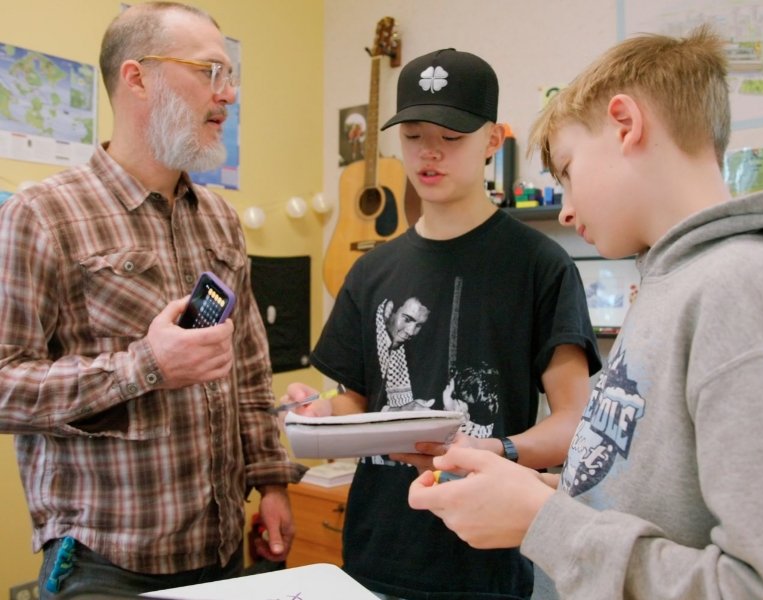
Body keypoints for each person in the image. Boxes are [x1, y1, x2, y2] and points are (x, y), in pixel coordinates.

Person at [408, 25, 763, 599]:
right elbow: (635, 499)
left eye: (567, 171)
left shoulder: (742, 284)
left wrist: (542, 521)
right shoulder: (669, 283)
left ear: (625, 124)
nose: (565, 211)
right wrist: (525, 488)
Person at [0, 3, 306, 597]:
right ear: (138, 78)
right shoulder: (40, 215)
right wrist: (146, 367)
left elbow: (247, 368)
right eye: (211, 73)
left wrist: (272, 484)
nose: (230, 95)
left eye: (231, 76)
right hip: (104, 566)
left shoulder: (219, 219)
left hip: (220, 551)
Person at [286, 48, 602, 600]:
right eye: (413, 136)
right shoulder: (371, 271)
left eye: (451, 137)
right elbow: (356, 404)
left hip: (485, 562)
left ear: (492, 142)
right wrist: (316, 415)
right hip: (375, 554)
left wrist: (498, 450)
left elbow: (576, 422)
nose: (429, 153)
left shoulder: (540, 266)